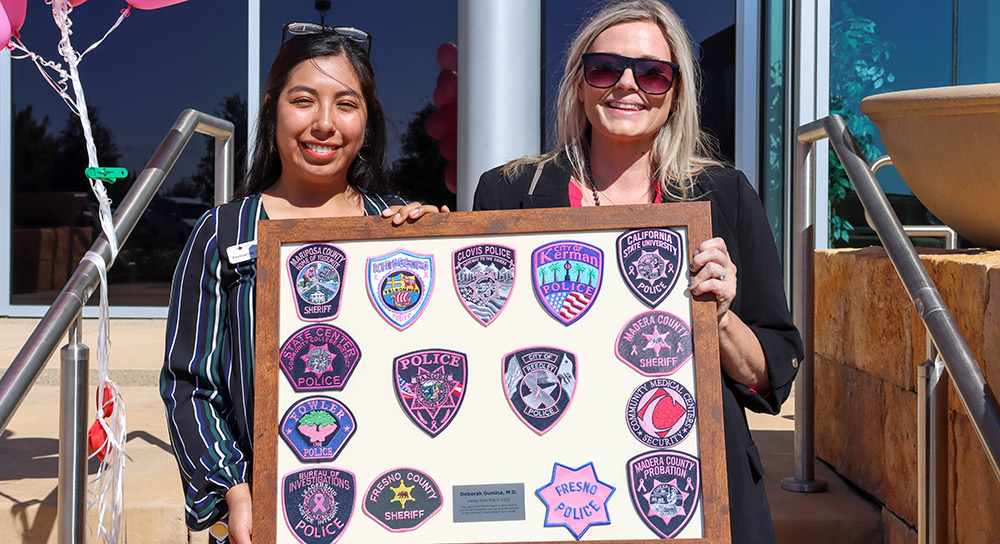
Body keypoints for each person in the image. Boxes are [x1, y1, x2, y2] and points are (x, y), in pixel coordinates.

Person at [473, 2, 802, 542]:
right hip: (556, 483)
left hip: (693, 489)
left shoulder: (726, 195)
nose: (627, 85)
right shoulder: (509, 193)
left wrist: (720, 319)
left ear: (675, 94)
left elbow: (770, 376)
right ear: (579, 85)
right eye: (605, 68)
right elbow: (476, 341)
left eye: (652, 73)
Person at [160, 24, 444, 544]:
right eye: (304, 100)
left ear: (367, 121)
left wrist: (445, 252)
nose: (324, 124)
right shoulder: (224, 233)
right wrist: (234, 492)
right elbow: (189, 384)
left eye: (346, 104)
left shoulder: (399, 228)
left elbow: (438, 366)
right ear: (273, 109)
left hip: (391, 512)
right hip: (266, 516)